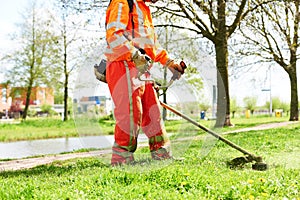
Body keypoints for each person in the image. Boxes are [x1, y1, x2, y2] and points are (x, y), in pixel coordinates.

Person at [104, 0, 185, 166]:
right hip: (123, 64)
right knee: (131, 112)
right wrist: (134, 54)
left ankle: (161, 153)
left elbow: (150, 45)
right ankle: (121, 158)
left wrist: (169, 62)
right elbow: (114, 35)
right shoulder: (122, 2)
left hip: (140, 66)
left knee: (153, 111)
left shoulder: (143, 8)